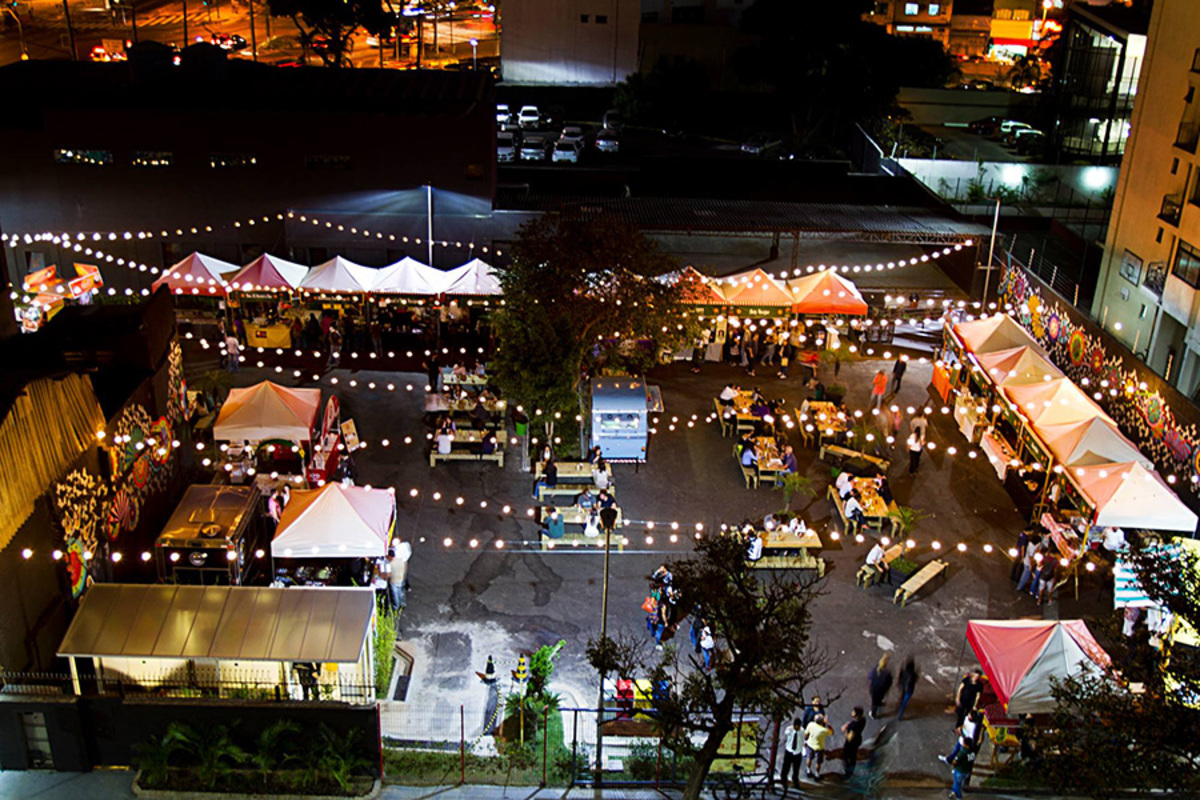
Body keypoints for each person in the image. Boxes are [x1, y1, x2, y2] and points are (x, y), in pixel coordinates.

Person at [803, 714, 832, 780]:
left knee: (809, 758)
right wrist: (827, 723)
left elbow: (806, 734)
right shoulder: (824, 730)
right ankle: (817, 774)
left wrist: (805, 742)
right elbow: (831, 732)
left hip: (810, 744)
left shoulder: (810, 725)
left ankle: (808, 770)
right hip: (819, 748)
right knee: (818, 762)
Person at [384, 542, 411, 612]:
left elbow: (388, 574)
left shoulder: (390, 564)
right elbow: (405, 567)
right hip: (401, 579)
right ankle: (402, 603)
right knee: (401, 592)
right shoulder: (401, 560)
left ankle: (396, 607)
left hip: (394, 581)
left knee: (395, 595)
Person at [780, 717, 804, 791]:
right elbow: (785, 736)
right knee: (786, 767)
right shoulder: (789, 730)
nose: (797, 727)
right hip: (789, 751)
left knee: (796, 769)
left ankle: (795, 781)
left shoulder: (802, 731)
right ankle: (784, 780)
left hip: (797, 752)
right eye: (795, 726)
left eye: (798, 726)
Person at [841, 707, 866, 777]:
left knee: (848, 756)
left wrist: (845, 730)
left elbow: (849, 738)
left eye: (853, 712)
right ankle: (851, 769)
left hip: (851, 744)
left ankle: (848, 772)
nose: (851, 712)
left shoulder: (854, 725)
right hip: (858, 740)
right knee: (853, 755)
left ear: (857, 715)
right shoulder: (863, 720)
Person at [868, 654, 893, 719]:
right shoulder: (887, 674)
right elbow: (889, 683)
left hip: (873, 689)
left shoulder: (875, 669)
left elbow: (869, 676)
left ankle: (874, 710)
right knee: (875, 703)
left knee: (874, 702)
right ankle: (873, 713)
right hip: (880, 692)